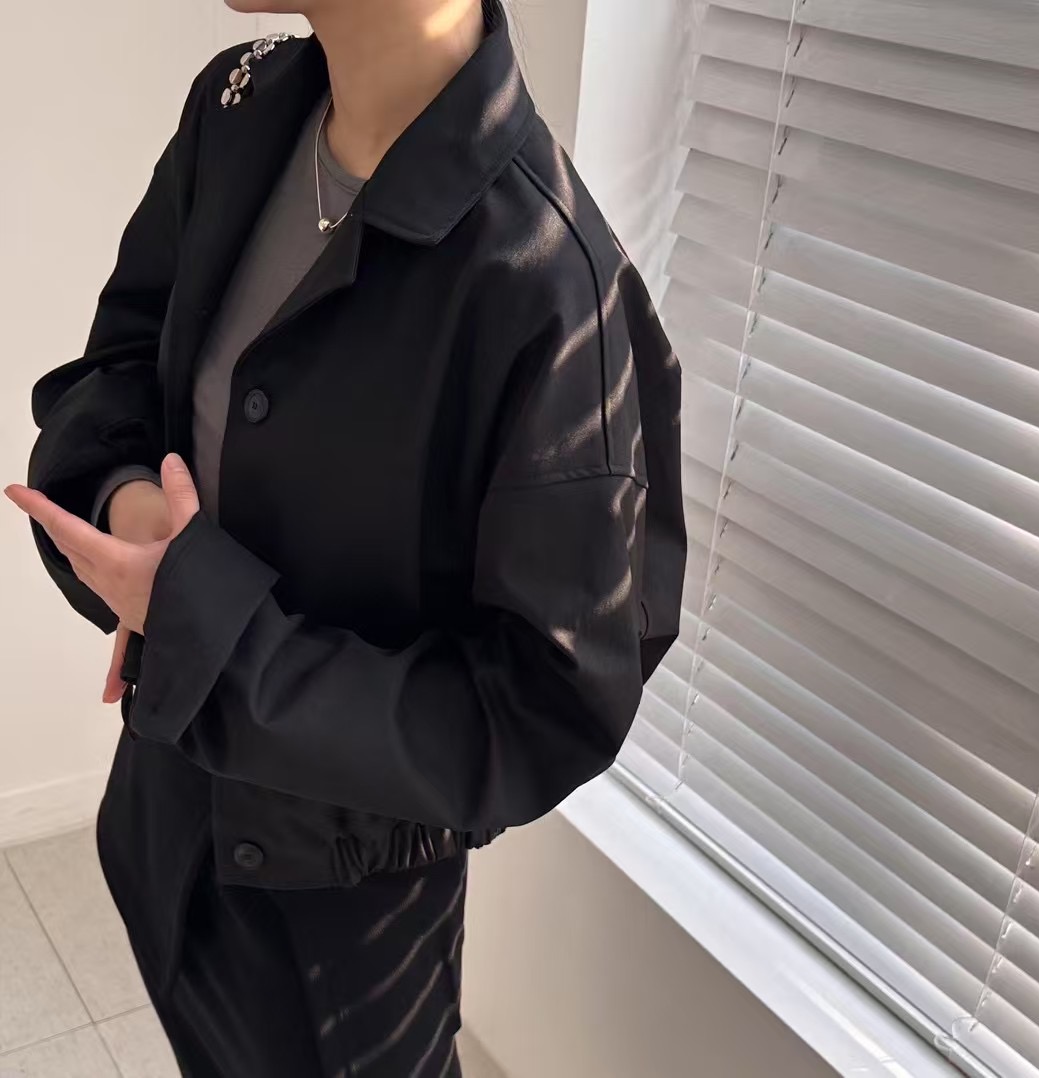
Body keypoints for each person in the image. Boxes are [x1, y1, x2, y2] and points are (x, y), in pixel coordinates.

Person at [5, 0, 686, 1074]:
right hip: (164, 824)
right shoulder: (238, 109)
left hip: (344, 937)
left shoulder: (554, 289)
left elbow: (542, 710)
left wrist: (208, 628)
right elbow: (121, 367)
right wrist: (131, 506)